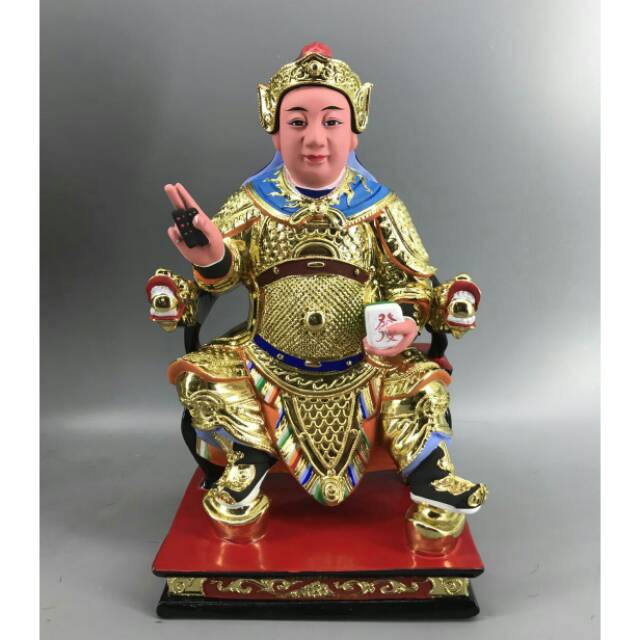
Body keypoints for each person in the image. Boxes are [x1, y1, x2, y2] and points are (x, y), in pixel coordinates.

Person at [147, 42, 487, 550]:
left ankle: (431, 478)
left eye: (331, 122)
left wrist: (406, 321)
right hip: (267, 357)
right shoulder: (252, 203)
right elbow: (221, 276)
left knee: (421, 383)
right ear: (275, 131)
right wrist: (210, 256)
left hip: (366, 362)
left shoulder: (380, 208)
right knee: (204, 378)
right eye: (297, 122)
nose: (314, 139)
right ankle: (246, 464)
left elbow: (413, 284)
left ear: (353, 132)